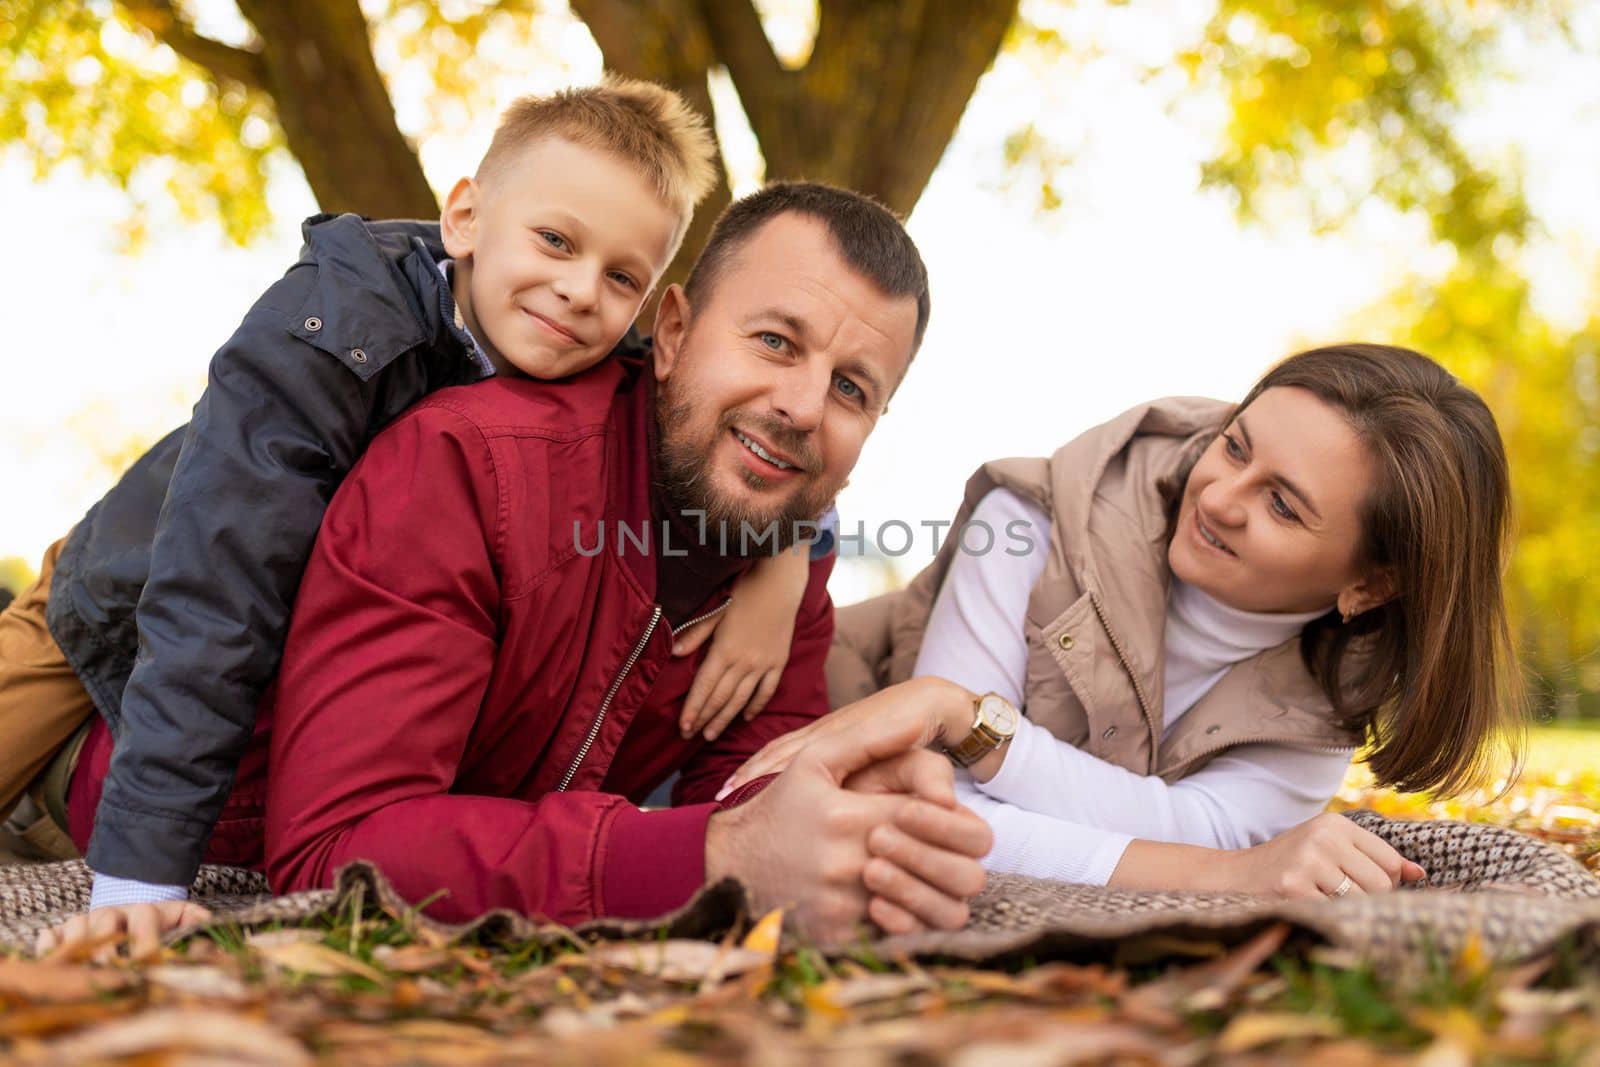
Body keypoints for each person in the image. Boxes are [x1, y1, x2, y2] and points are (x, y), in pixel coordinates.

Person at [39, 182, 993, 957]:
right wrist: (722, 850)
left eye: (852, 389)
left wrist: (838, 814)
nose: (800, 403)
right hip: (127, 769)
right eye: (775, 341)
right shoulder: (468, 462)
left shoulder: (785, 565)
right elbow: (332, 851)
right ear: (668, 334)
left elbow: (742, 793)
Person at [2, 76, 825, 943]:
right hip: (131, 584)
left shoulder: (590, 344)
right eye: (554, 240)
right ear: (466, 218)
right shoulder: (325, 330)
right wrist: (140, 883)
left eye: (622, 276)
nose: (582, 289)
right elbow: (217, 598)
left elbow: (725, 437)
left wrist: (787, 553)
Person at [729, 344, 1526, 903]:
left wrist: (973, 721)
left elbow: (1211, 832)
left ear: (1370, 582)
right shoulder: (1030, 523)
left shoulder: (1322, 711)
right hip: (740, 742)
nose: (1218, 497)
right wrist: (1219, 869)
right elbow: (938, 817)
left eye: (1282, 503)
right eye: (1234, 445)